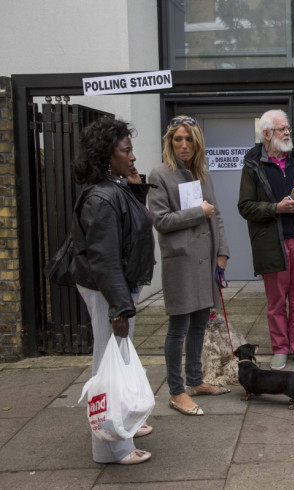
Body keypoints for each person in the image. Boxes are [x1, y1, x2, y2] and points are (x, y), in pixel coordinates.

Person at [71, 117, 155, 465]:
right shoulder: (103, 198)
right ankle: (109, 447)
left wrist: (136, 188)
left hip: (117, 286)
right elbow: (104, 258)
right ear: (107, 157)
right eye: (126, 151)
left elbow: (130, 227)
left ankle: (123, 424)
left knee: (117, 358)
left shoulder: (115, 188)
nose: (133, 157)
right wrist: (120, 308)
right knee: (107, 363)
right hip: (109, 289)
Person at [148, 115, 231, 416]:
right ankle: (176, 391)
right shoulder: (159, 175)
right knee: (179, 327)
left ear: (197, 143)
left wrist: (222, 252)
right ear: (170, 142)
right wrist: (198, 212)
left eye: (189, 139)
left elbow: (217, 215)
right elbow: (161, 220)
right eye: (177, 139)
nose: (183, 144)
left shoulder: (203, 174)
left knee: (200, 323)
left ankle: (196, 381)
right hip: (181, 263)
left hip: (205, 260)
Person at [237, 109, 294, 370]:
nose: (288, 133)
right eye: (281, 129)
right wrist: (276, 208)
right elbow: (245, 206)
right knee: (276, 303)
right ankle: (280, 349)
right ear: (266, 134)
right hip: (272, 244)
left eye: (288, 128)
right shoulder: (253, 165)